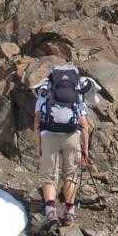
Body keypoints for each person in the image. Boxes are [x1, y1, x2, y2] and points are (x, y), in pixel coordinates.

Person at [34, 78, 90, 227]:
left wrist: (39, 144)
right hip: (71, 135)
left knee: (49, 174)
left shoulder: (44, 95)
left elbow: (37, 121)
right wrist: (85, 148)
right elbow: (84, 124)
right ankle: (69, 211)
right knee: (70, 174)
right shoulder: (76, 95)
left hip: (49, 135)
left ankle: (51, 210)